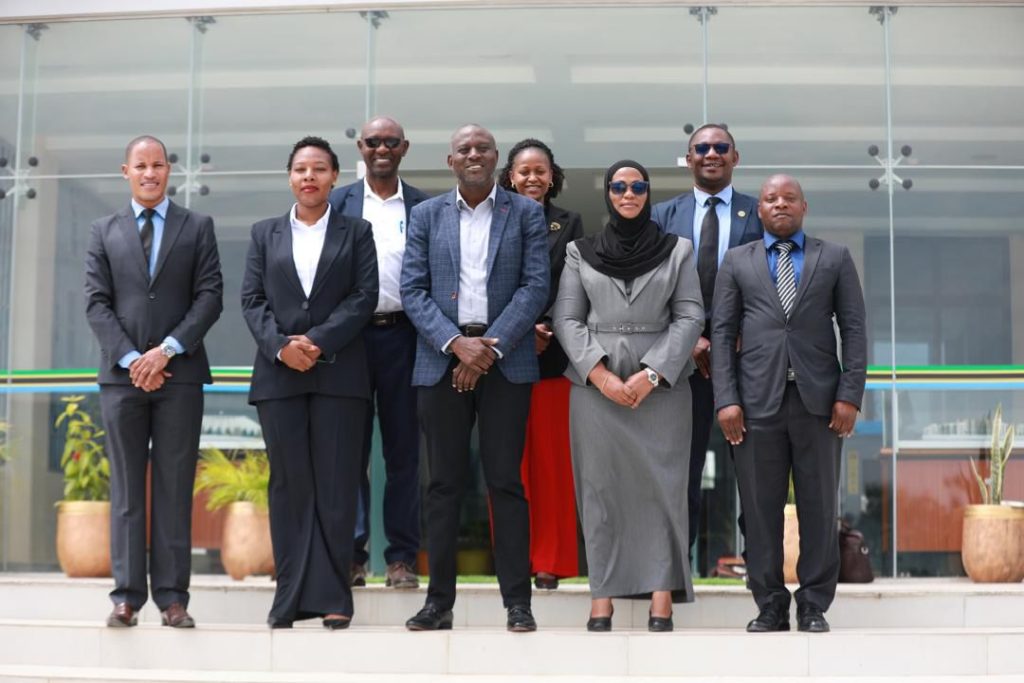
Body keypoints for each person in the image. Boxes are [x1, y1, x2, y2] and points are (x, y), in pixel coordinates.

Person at [401, 124, 549, 632]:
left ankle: (518, 603)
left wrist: (488, 348)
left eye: (482, 148)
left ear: (496, 158)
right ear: (451, 161)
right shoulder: (426, 215)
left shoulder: (525, 213)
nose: (473, 154)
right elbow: (413, 289)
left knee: (505, 482)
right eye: (464, 149)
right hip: (441, 357)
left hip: (505, 361)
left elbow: (535, 286)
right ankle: (438, 603)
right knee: (442, 484)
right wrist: (455, 344)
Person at [711, 174, 866, 633]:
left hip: (819, 404)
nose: (780, 204)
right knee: (760, 511)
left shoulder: (834, 257)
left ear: (804, 207)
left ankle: (813, 604)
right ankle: (770, 605)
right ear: (759, 209)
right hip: (755, 405)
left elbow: (854, 329)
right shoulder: (737, 261)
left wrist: (849, 395)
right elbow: (722, 333)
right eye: (771, 198)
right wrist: (726, 399)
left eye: (789, 198)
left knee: (819, 508)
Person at [554, 160, 704, 632]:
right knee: (600, 490)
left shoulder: (678, 250)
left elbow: (690, 316)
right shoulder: (580, 251)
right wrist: (601, 377)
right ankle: (602, 598)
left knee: (663, 489)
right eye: (619, 186)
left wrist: (652, 374)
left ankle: (662, 596)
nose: (628, 193)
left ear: (648, 192)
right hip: (595, 388)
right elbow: (566, 319)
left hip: (663, 388)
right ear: (608, 194)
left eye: (638, 186)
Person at [85, 135, 223, 628]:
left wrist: (165, 351)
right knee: (126, 490)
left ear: (169, 170)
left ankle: (172, 598)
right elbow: (96, 302)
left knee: (174, 487)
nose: (150, 173)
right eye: (140, 165)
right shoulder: (104, 230)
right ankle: (126, 597)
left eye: (158, 164)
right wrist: (131, 359)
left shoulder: (197, 226)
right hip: (120, 380)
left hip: (180, 376)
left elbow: (210, 297)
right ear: (126, 171)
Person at [241, 136, 378, 629]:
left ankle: (335, 596)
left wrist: (317, 343)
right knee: (289, 486)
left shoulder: (356, 232)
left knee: (337, 486)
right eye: (300, 169)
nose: (309, 177)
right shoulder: (264, 233)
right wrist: (282, 347)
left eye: (319, 169)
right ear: (290, 177)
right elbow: (252, 300)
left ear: (335, 177)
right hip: (279, 377)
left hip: (339, 374)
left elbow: (364, 296)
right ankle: (290, 597)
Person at [329, 116, 430, 589]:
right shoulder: (337, 203)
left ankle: (401, 557)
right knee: (349, 450)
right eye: (374, 142)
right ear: (361, 147)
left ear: (404, 148)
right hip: (350, 339)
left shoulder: (425, 207)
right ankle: (351, 554)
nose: (382, 149)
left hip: (405, 336)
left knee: (403, 451)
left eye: (391, 142)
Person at [652, 124, 762, 553]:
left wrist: (739, 335)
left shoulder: (758, 213)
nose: (710, 153)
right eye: (701, 148)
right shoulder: (662, 216)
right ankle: (676, 565)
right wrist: (688, 340)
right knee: (682, 465)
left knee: (753, 465)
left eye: (720, 147)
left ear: (736, 157)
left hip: (743, 358)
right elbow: (651, 287)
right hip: (683, 361)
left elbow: (771, 285)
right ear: (689, 159)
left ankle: (760, 562)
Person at [497, 138, 583, 590]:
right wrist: (514, 331)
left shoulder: (569, 223)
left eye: (540, 171)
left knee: (551, 466)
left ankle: (550, 560)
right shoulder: (490, 218)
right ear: (510, 176)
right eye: (524, 170)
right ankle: (515, 560)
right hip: (499, 355)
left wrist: (543, 326)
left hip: (550, 356)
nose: (532, 177)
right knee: (507, 466)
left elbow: (573, 284)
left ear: (552, 177)